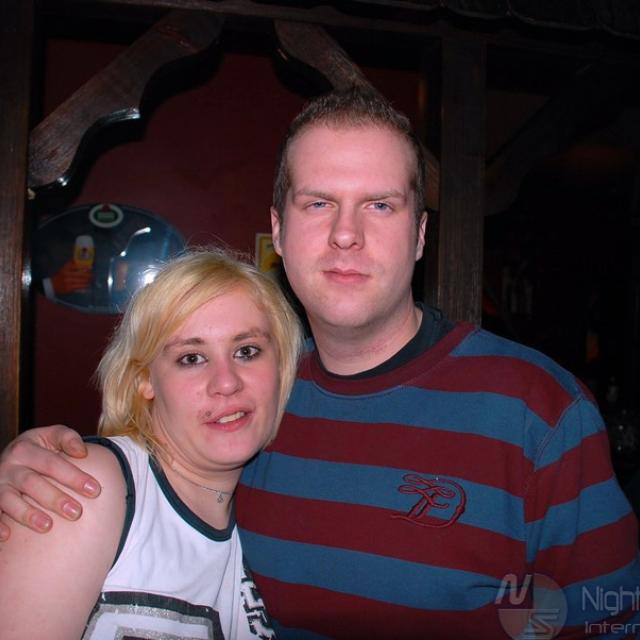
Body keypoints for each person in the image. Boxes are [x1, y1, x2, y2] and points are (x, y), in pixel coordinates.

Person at [1, 88, 640, 639]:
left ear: (421, 234)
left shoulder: (540, 411)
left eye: (380, 205)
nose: (346, 233)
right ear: (279, 231)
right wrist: (36, 466)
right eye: (318, 203)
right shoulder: (256, 402)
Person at [0, 249, 303, 639]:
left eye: (247, 351)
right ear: (144, 379)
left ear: (281, 366)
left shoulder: (274, 513)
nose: (226, 382)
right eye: (191, 358)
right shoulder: (90, 488)